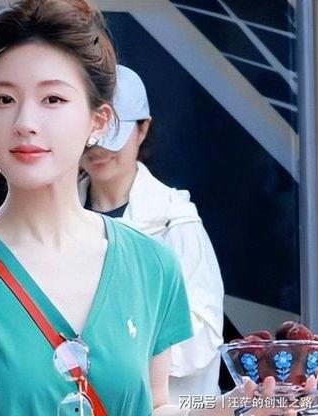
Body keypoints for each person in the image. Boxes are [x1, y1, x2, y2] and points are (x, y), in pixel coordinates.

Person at [0, 1, 316, 415]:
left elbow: (154, 406)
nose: (25, 122)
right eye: (3, 99)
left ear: (98, 121)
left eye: (53, 99)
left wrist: (233, 409)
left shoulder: (151, 263)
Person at [79, 65, 224, 402]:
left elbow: (202, 339)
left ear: (143, 129)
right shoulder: (55, 216)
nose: (98, 149)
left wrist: (118, 345)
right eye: (90, 135)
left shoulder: (175, 220)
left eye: (113, 135)